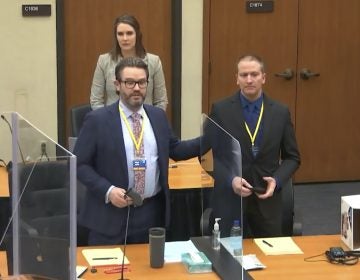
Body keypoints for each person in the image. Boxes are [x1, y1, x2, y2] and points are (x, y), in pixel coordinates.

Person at [74, 57, 199, 245]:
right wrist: (108, 191)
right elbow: (79, 164)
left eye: (142, 82)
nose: (137, 88)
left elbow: (175, 149)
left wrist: (211, 139)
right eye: (130, 82)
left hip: (150, 214)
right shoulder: (97, 120)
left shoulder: (157, 116)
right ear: (117, 85)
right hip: (110, 217)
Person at [208, 54, 301, 238]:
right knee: (228, 258)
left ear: (263, 78)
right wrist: (231, 179)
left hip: (267, 200)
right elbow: (209, 156)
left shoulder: (280, 112)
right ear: (237, 78)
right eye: (243, 75)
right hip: (231, 199)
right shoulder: (220, 109)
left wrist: (277, 180)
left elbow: (293, 157)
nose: (249, 80)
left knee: (271, 260)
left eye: (254, 74)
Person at [90, 14, 168, 111]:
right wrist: (107, 122)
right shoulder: (104, 61)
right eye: (120, 34)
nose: (125, 38)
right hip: (113, 121)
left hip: (145, 121)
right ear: (116, 36)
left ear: (137, 35)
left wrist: (152, 122)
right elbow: (96, 101)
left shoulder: (154, 62)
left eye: (129, 33)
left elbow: (161, 101)